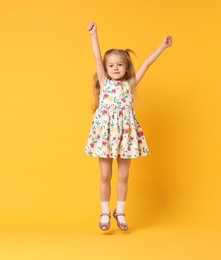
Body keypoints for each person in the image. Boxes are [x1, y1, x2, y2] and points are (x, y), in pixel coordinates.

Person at [85, 22, 172, 231]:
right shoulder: (105, 83)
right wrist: (94, 34)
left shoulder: (130, 84)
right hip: (105, 134)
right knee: (105, 175)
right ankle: (105, 212)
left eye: (119, 65)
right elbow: (97, 57)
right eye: (111, 65)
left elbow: (147, 64)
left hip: (126, 135)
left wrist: (162, 47)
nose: (115, 68)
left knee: (124, 176)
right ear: (106, 69)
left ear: (126, 67)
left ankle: (120, 212)